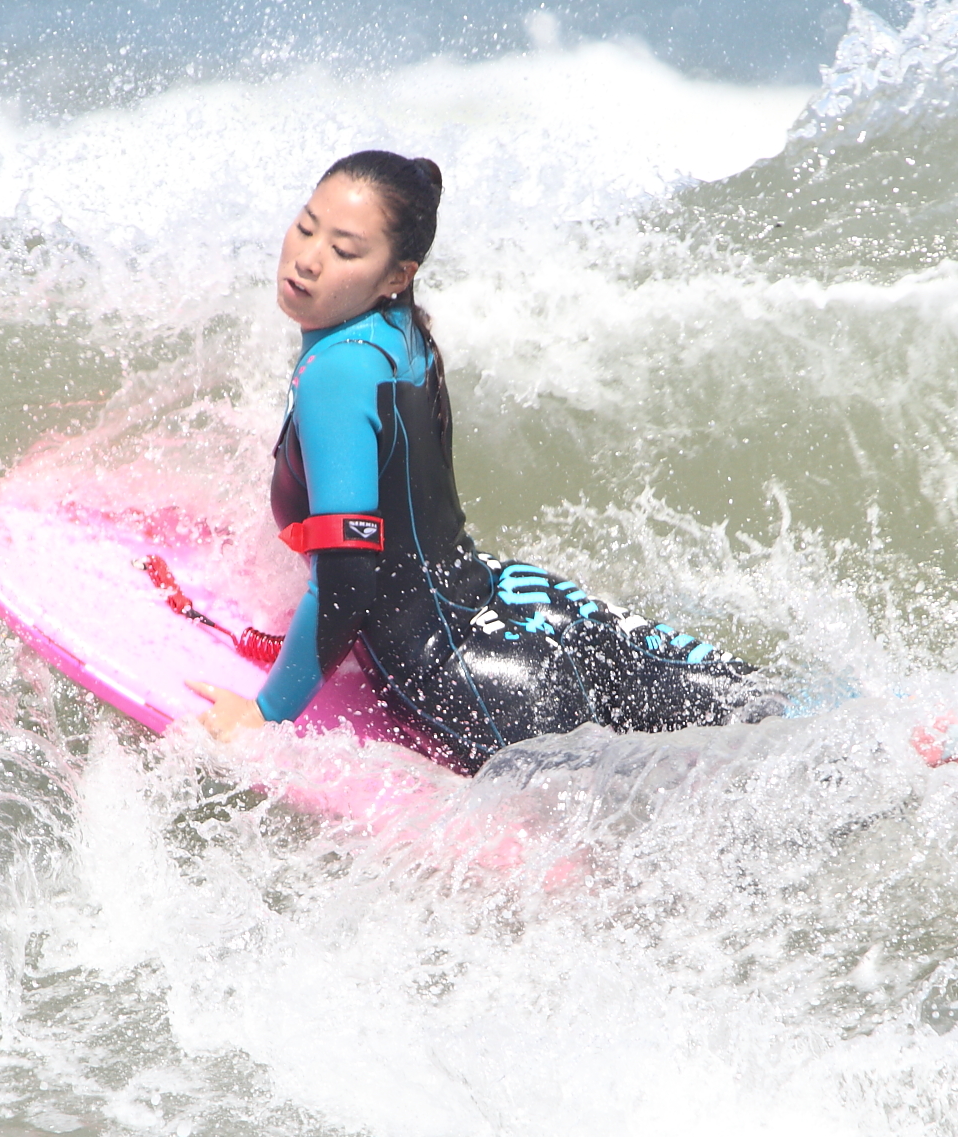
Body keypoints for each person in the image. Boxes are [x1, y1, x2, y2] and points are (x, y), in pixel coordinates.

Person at [188, 150, 778, 774]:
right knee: (775, 712)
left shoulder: (335, 371)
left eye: (345, 249)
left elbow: (348, 578)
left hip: (469, 677)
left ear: (396, 273)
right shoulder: (398, 332)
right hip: (525, 601)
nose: (308, 258)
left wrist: (266, 716)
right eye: (307, 226)